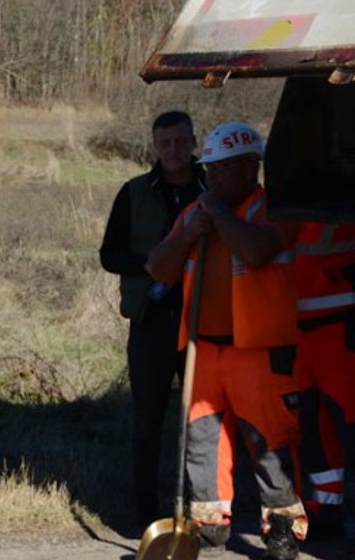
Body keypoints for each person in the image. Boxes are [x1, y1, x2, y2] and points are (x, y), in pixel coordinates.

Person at [147, 121, 307, 560]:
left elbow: (257, 252)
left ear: (249, 167)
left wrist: (218, 216)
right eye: (210, 169)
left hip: (258, 351)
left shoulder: (274, 208)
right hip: (204, 350)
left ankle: (283, 529)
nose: (211, 177)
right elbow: (158, 268)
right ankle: (208, 525)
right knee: (202, 442)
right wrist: (190, 232)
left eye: (221, 169)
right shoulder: (195, 214)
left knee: (270, 442)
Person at [99, 110, 206, 530]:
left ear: (193, 142)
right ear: (155, 148)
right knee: (148, 419)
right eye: (165, 144)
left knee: (202, 419)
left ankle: (204, 510)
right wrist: (157, 263)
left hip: (204, 319)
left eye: (181, 142)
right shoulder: (134, 192)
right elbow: (110, 255)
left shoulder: (212, 189)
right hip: (152, 319)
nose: (174, 151)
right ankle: (144, 515)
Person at [294, 220, 355, 545]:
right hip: (303, 330)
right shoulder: (295, 208)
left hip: (342, 327)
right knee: (316, 430)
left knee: (348, 425)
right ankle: (325, 512)